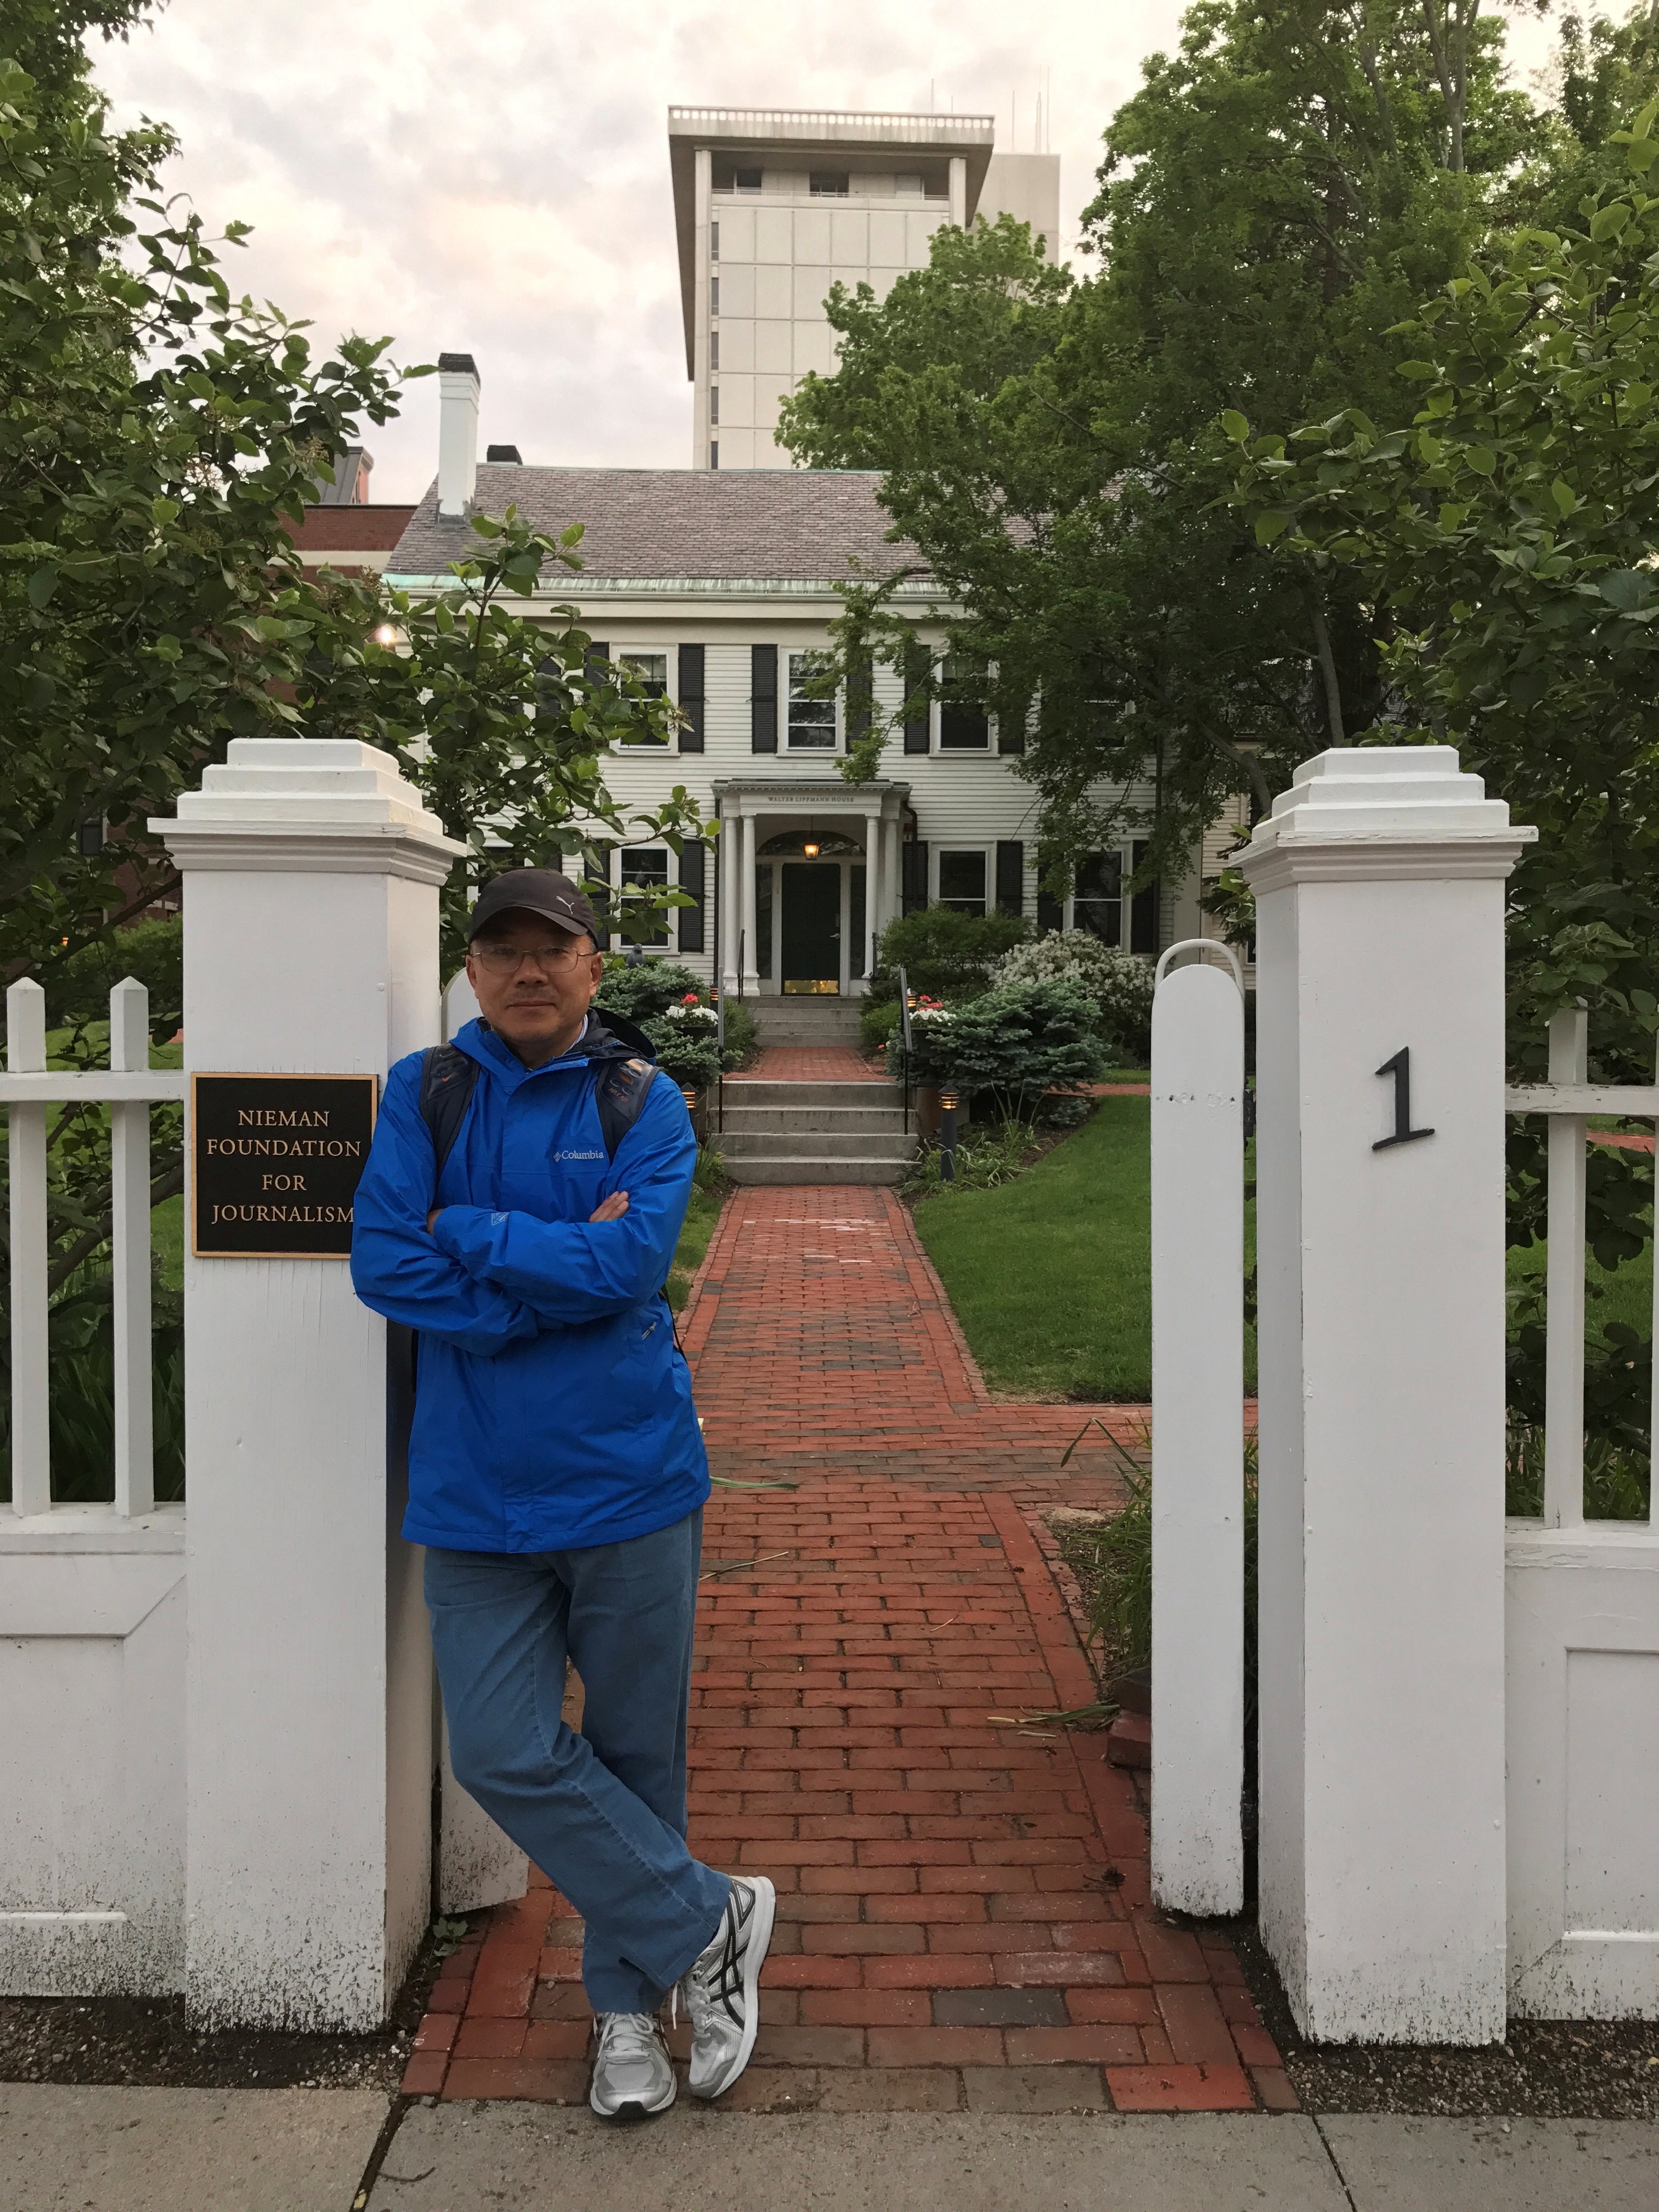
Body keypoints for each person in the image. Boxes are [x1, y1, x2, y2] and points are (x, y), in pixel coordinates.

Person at [350, 868, 773, 2122]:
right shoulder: (424, 1093)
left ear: (595, 966)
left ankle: (627, 2019)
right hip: (476, 1493)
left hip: (631, 1483)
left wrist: (469, 1231)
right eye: (503, 950)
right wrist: (554, 1284)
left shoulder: (642, 1099)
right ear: (472, 971)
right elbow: (382, 1258)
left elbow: (632, 1263)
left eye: (554, 948)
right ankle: (714, 1917)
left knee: (639, 1758)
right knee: (500, 1749)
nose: (528, 970)